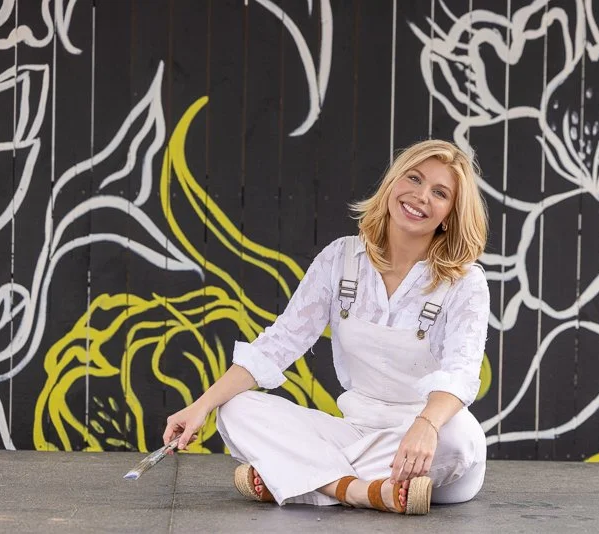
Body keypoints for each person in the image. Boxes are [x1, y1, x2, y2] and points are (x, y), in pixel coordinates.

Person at [163, 139, 490, 515]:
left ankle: (297, 476)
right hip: (355, 431)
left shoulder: (465, 283)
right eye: (413, 178)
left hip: (426, 445)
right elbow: (280, 342)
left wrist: (426, 426)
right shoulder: (341, 258)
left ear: (450, 213)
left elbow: (461, 374)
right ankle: (356, 491)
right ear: (392, 184)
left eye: (439, 192)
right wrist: (201, 406)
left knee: (460, 437)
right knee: (234, 409)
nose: (420, 196)